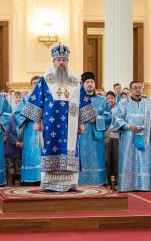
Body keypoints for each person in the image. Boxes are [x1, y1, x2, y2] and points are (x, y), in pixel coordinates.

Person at [20, 44, 97, 192]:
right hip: (50, 123)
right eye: (58, 60)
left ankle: (70, 183)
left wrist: (81, 124)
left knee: (70, 150)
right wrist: (37, 121)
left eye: (64, 59)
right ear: (53, 61)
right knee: (50, 148)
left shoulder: (75, 79)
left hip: (71, 124)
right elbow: (38, 100)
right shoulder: (45, 79)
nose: (61, 62)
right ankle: (49, 183)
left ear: (67, 61)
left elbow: (81, 102)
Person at [114, 80, 151, 192]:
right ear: (130, 90)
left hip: (145, 139)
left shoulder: (148, 103)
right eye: (135, 88)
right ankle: (127, 186)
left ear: (143, 89)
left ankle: (144, 186)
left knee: (144, 161)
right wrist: (128, 126)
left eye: (140, 88)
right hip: (128, 138)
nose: (138, 90)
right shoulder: (123, 102)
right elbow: (117, 118)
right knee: (128, 159)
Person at [78, 72, 111, 185]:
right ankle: (81, 182)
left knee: (98, 158)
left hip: (96, 136)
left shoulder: (102, 100)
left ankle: (98, 182)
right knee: (82, 158)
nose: (90, 84)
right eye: (87, 82)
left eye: (92, 82)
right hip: (81, 135)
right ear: (83, 84)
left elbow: (108, 115)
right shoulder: (77, 99)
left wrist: (97, 119)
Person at [15, 76, 42, 185]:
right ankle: (30, 182)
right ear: (31, 85)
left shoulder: (48, 97)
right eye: (34, 82)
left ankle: (44, 180)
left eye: (38, 82)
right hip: (30, 133)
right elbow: (17, 114)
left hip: (44, 132)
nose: (36, 84)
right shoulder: (26, 99)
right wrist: (31, 116)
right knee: (31, 155)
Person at [105, 91, 119, 188]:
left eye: (112, 98)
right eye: (108, 98)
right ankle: (108, 180)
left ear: (115, 99)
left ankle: (117, 181)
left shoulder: (118, 109)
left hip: (116, 137)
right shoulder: (104, 110)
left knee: (116, 159)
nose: (110, 100)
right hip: (106, 138)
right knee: (107, 159)